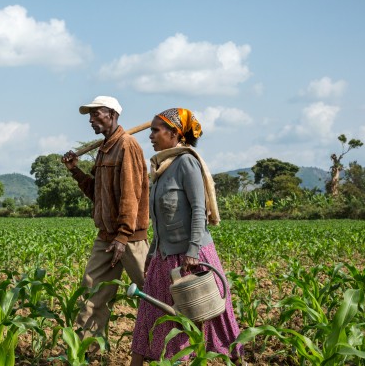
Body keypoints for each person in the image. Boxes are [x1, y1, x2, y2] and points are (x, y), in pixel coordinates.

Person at [130, 108, 242, 365]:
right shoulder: (160, 167)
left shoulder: (186, 162)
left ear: (174, 133)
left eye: (156, 131)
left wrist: (192, 252)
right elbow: (160, 219)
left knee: (210, 316)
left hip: (190, 257)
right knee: (151, 315)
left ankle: (236, 359)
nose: (151, 136)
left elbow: (198, 210)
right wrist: (151, 253)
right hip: (163, 257)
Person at [62, 95, 150, 342]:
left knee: (153, 293)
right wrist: (75, 171)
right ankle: (84, 350)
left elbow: (131, 194)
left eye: (95, 113)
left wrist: (123, 236)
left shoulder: (126, 145)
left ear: (112, 114)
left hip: (129, 238)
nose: (91, 119)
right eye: (89, 115)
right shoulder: (104, 151)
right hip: (106, 237)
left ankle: (182, 344)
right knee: (92, 293)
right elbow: (97, 194)